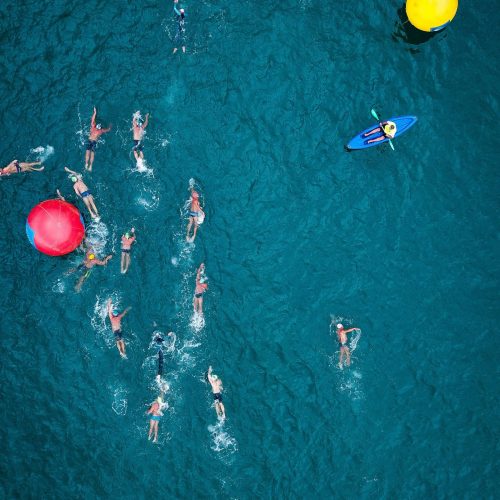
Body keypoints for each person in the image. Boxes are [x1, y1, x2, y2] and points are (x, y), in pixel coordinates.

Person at [85, 106, 111, 171]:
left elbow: (92, 119)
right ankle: (90, 166)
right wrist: (110, 126)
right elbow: (108, 130)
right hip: (94, 142)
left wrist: (95, 112)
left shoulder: (92, 127)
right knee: (92, 154)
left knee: (87, 152)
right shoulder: (100, 131)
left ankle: (86, 164)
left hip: (89, 140)